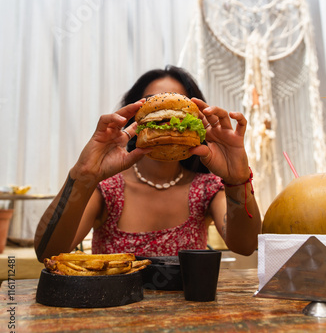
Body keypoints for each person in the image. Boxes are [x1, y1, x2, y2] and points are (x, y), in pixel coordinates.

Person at [34, 66, 261, 261]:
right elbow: (48, 252)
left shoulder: (207, 189)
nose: (165, 114)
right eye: (153, 103)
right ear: (135, 118)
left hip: (188, 312)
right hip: (113, 310)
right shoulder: (108, 189)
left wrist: (237, 179)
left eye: (175, 108)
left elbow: (246, 246)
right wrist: (83, 174)